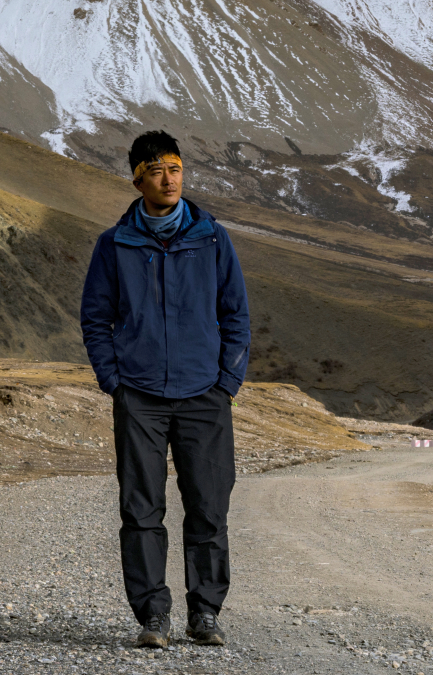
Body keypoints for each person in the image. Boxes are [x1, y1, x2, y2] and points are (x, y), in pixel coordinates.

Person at [79, 130, 251, 649]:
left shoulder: (213, 238)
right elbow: (95, 318)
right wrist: (114, 381)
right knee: (141, 508)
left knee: (208, 506)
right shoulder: (115, 244)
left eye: (175, 168)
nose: (168, 178)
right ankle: (153, 615)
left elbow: (236, 315)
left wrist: (227, 382)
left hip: (205, 395)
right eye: (156, 169)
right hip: (140, 396)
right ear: (136, 178)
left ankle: (205, 614)